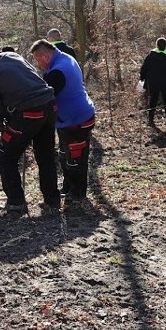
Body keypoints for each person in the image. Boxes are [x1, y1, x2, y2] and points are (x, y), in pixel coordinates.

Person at [0, 47, 60, 216]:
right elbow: (34, 75)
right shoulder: (11, 56)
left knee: (4, 154)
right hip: (50, 104)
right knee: (46, 155)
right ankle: (52, 202)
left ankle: (16, 203)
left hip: (28, 113)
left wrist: (0, 127)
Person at [29, 39, 96, 208]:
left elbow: (45, 97)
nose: (38, 63)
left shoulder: (58, 71)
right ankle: (68, 188)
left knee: (75, 157)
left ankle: (77, 194)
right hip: (71, 118)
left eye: (38, 59)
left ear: (45, 55)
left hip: (77, 119)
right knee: (66, 155)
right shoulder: (64, 57)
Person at [139, 37, 166, 128]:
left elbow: (144, 68)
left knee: (153, 101)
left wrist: (142, 77)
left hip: (153, 82)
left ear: (157, 45)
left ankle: (151, 120)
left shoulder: (151, 56)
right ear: (165, 45)